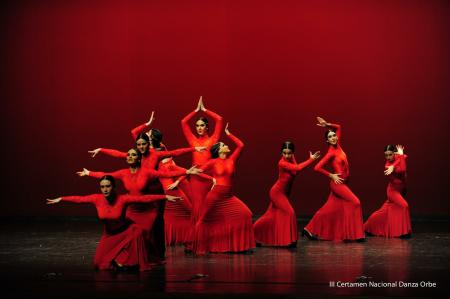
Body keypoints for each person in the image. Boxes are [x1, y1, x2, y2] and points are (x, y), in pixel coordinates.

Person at [77, 148, 201, 261]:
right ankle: (131, 259)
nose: (130, 157)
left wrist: (186, 171)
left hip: (147, 209)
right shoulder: (123, 173)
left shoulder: (147, 172)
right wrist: (89, 173)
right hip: (131, 209)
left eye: (134, 155)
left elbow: (166, 174)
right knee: (130, 235)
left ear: (139, 158)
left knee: (145, 235)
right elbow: (107, 175)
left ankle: (147, 258)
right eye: (128, 155)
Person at [46, 175, 180, 271]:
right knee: (99, 264)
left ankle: (125, 260)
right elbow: (79, 199)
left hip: (126, 232)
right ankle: (118, 260)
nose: (105, 189)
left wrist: (165, 196)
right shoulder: (96, 199)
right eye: (102, 187)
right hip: (109, 236)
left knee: (137, 235)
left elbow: (144, 198)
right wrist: (61, 199)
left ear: (113, 187)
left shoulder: (123, 199)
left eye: (108, 186)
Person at [192, 123, 255, 254]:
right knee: (203, 219)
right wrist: (211, 179)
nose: (226, 145)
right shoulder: (213, 162)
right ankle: (198, 246)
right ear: (219, 150)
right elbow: (196, 171)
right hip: (215, 195)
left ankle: (234, 245)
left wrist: (228, 133)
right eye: (224, 144)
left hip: (228, 196)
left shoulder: (231, 159)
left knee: (246, 214)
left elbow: (241, 145)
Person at [303, 117, 365, 241]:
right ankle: (356, 235)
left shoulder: (339, 146)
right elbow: (317, 167)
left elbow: (339, 127)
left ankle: (308, 229)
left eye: (334, 135)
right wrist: (331, 175)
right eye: (330, 137)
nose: (333, 137)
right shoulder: (331, 152)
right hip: (338, 184)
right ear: (327, 140)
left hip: (344, 183)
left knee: (329, 209)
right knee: (356, 202)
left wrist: (327, 124)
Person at [254, 142, 320, 247]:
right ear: (281, 153)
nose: (286, 155)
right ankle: (290, 241)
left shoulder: (291, 158)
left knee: (270, 216)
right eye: (284, 153)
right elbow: (297, 168)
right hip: (276, 193)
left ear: (292, 153)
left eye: (289, 153)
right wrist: (311, 160)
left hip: (284, 193)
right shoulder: (282, 163)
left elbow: (295, 172)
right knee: (290, 213)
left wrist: (297, 159)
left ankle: (252, 234)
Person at [179, 97, 223, 224]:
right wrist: (195, 110)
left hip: (209, 176)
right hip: (196, 177)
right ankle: (198, 234)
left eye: (202, 125)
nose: (199, 128)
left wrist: (204, 109)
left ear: (207, 127)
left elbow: (219, 119)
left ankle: (209, 234)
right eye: (197, 125)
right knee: (197, 205)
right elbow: (183, 122)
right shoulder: (192, 140)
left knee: (209, 206)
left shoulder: (213, 139)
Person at [364, 145, 412, 238]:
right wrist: (395, 164)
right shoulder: (387, 166)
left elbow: (404, 156)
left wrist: (398, 157)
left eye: (390, 155)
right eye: (386, 155)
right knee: (404, 206)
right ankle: (404, 232)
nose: (388, 157)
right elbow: (402, 169)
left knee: (383, 212)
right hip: (393, 192)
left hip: (401, 189)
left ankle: (367, 226)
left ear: (394, 154)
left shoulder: (397, 159)